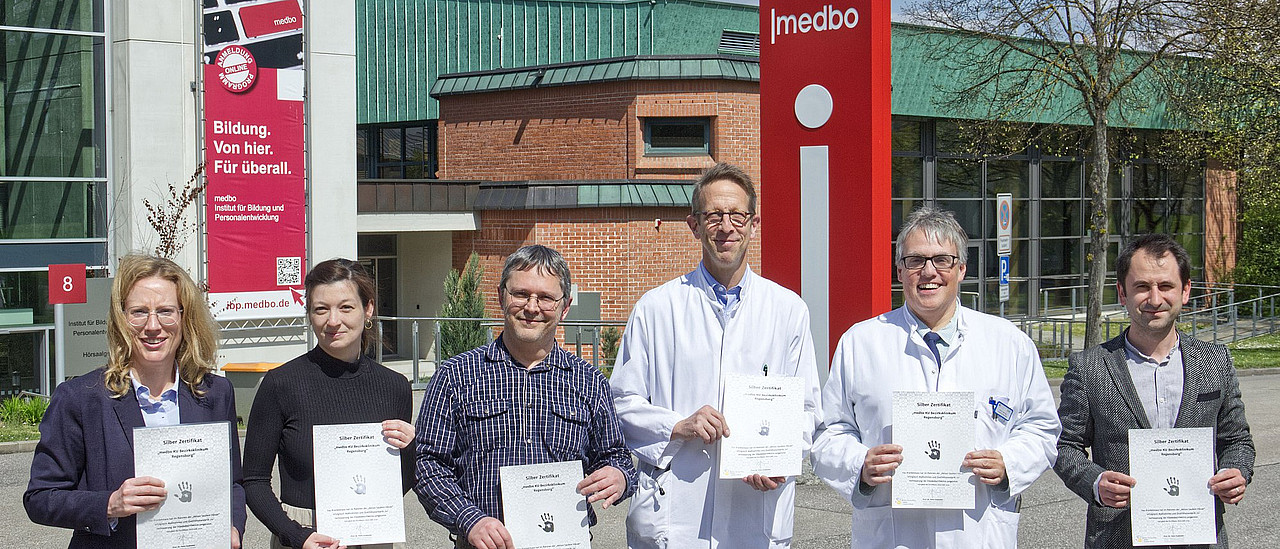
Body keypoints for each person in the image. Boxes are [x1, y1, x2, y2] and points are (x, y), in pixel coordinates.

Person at [810, 206, 1060, 548]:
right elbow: (828, 433)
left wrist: (1008, 464)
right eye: (915, 260)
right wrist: (860, 465)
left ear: (961, 269)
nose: (929, 272)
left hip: (979, 531)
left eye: (942, 259)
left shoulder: (1009, 343)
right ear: (900, 270)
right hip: (891, 534)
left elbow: (1042, 428)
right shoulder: (861, 341)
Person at [610, 162, 823, 549]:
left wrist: (780, 457)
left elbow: (807, 410)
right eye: (714, 216)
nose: (727, 227)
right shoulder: (656, 308)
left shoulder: (788, 310)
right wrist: (677, 425)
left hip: (754, 513)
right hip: (674, 515)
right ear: (693, 225)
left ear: (754, 224)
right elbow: (620, 404)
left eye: (738, 216)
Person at [414, 245, 637, 549]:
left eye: (546, 297)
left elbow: (617, 456)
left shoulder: (589, 382)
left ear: (565, 306)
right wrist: (469, 519)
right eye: (521, 294)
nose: (532, 307)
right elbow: (428, 464)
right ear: (501, 296)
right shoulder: (456, 376)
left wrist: (620, 476)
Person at [25, 254, 247, 548]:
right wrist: (109, 504)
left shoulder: (215, 393)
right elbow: (40, 497)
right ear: (122, 318)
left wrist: (233, 527)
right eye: (139, 312)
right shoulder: (81, 398)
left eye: (166, 311)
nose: (153, 326)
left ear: (184, 317)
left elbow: (231, 482)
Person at [1054, 234, 1255, 548]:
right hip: (1117, 537)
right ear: (1122, 292)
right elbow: (1064, 445)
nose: (1154, 299)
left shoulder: (1214, 361)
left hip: (1200, 536)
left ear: (1185, 291)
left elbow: (1237, 439)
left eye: (1165, 286)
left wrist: (1236, 470)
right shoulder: (1089, 367)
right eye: (1142, 287)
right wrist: (1094, 482)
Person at [243, 258, 416, 549]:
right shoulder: (281, 384)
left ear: (368, 309)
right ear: (309, 314)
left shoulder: (394, 387)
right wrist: (295, 535)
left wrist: (411, 448)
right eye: (321, 309)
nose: (333, 321)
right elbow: (254, 480)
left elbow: (398, 481)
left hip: (371, 534)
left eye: (346, 307)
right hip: (303, 536)